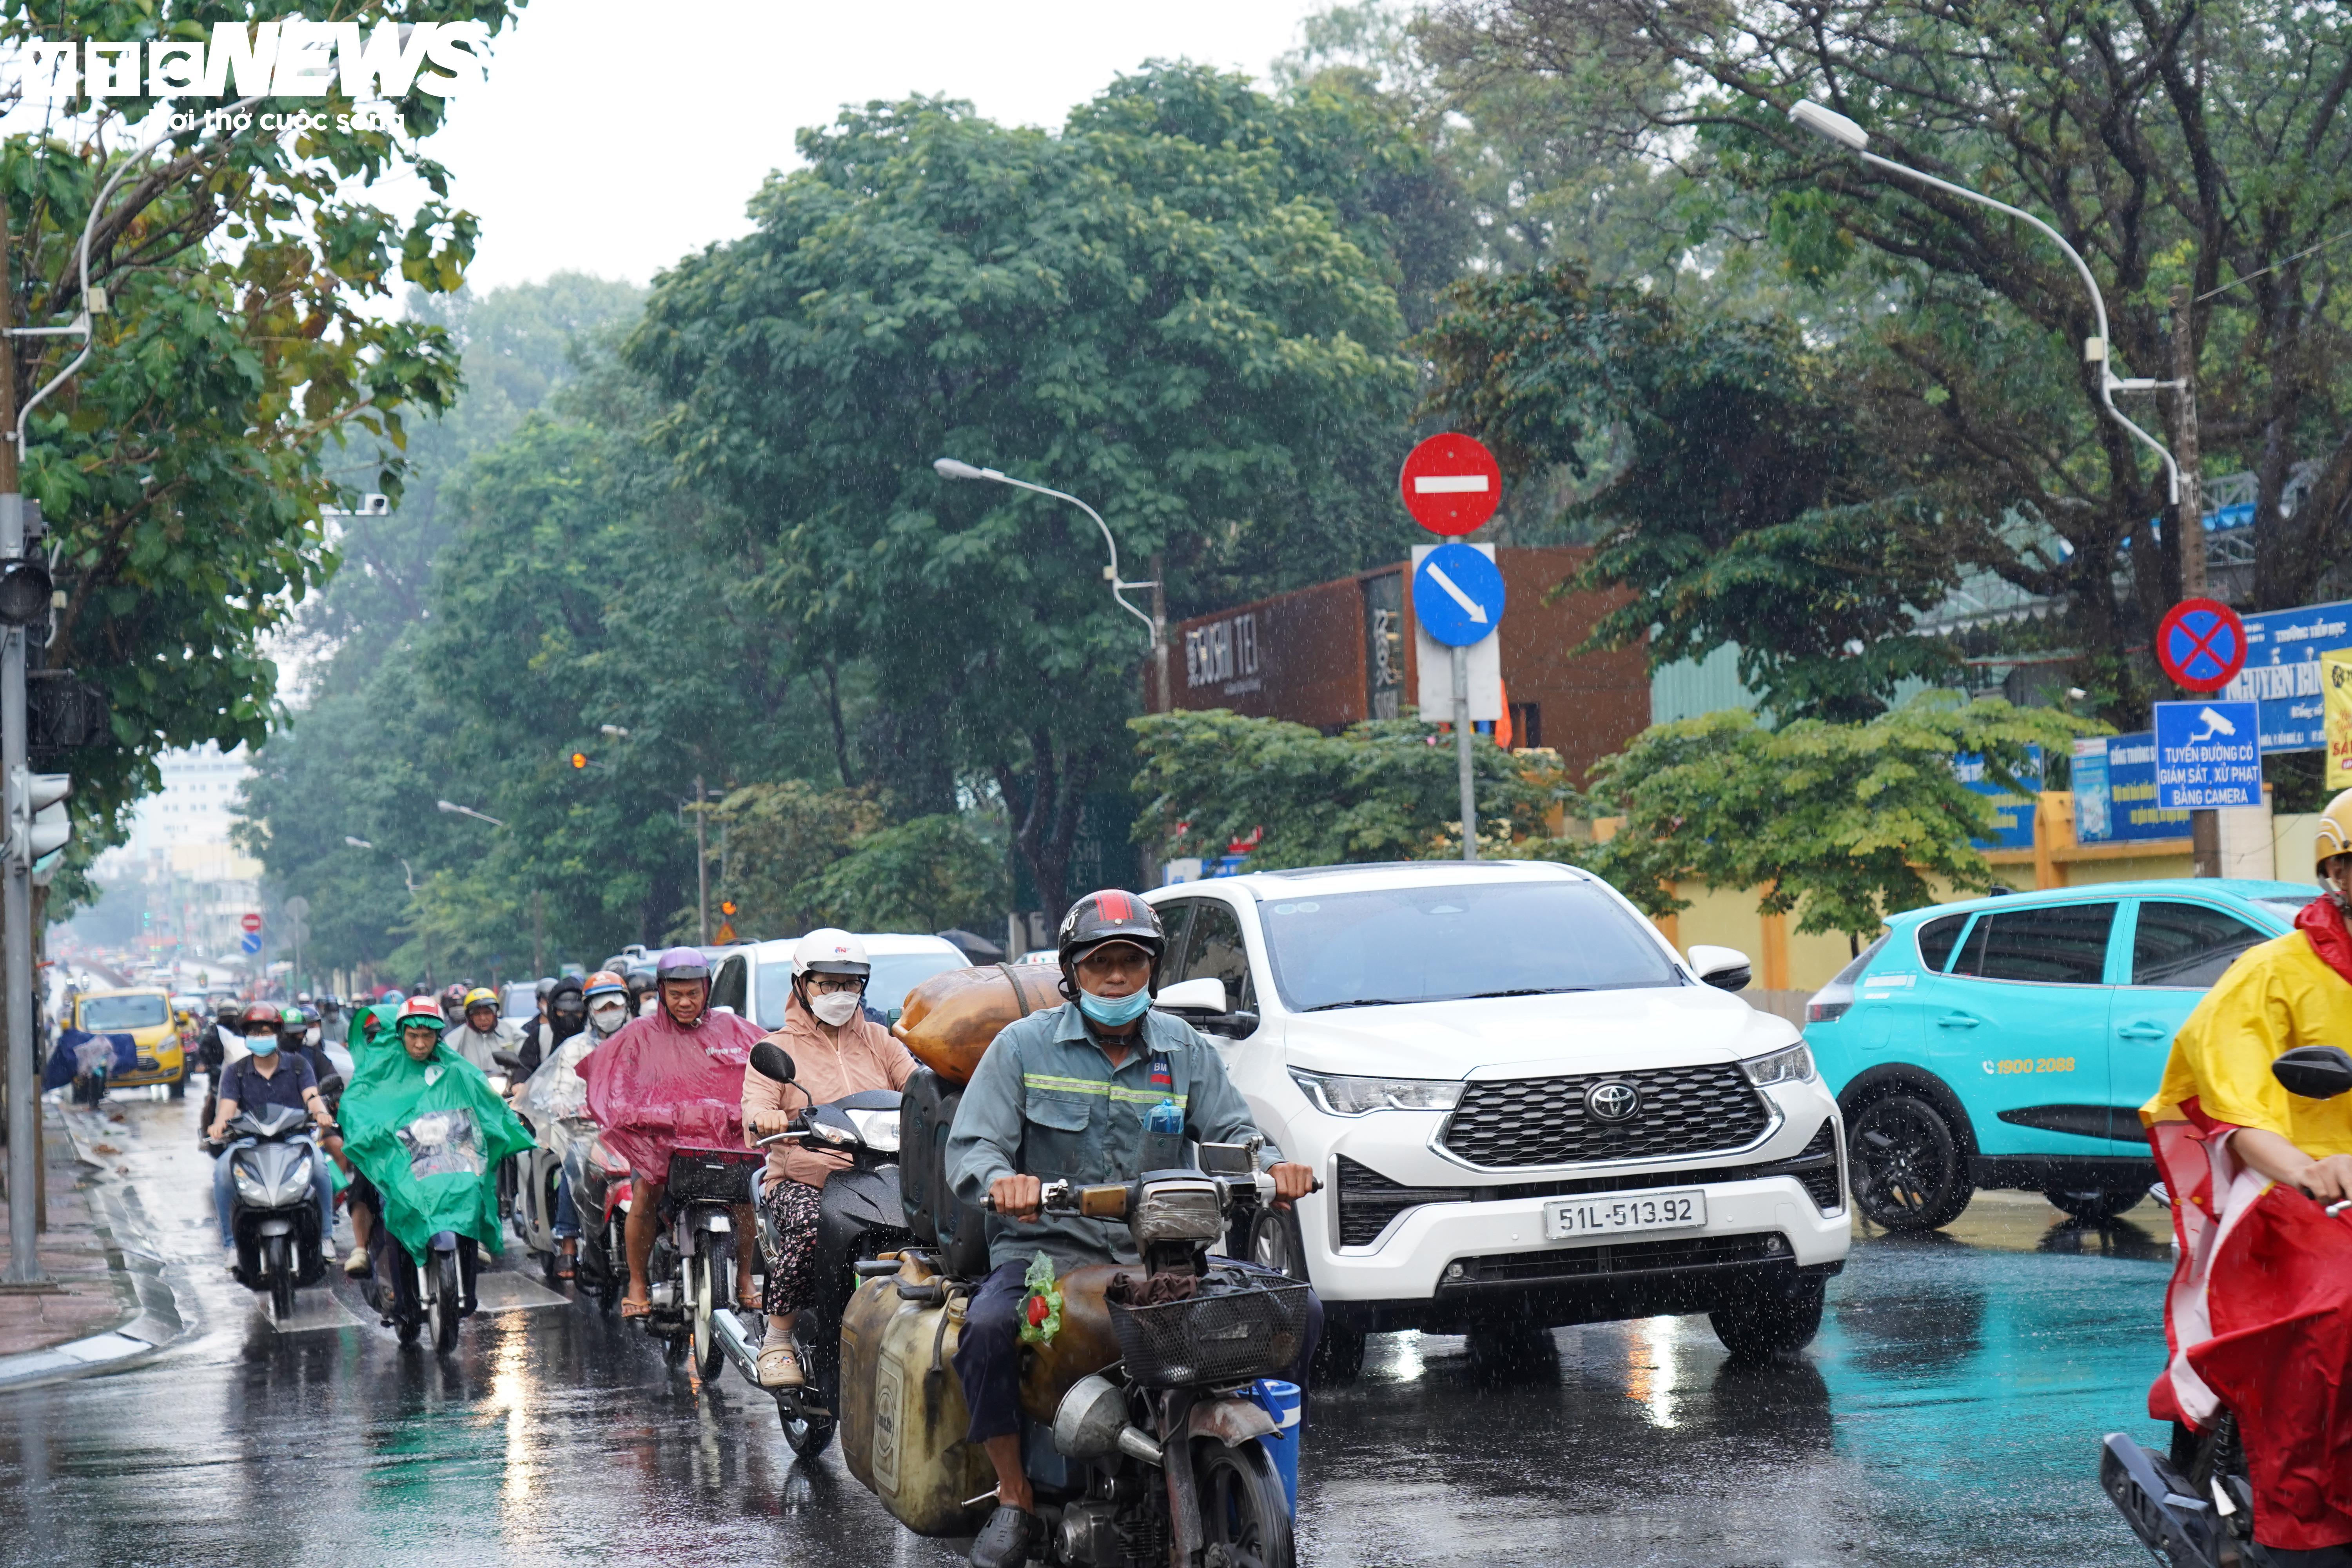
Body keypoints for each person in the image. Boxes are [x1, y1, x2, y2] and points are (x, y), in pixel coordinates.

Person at [946, 890, 1318, 1568]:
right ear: (1073, 973)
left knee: (1297, 1313)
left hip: (1163, 1256)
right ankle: (1013, 1494)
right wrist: (1005, 1181)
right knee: (988, 1333)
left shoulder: (1185, 1049)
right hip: (1047, 1256)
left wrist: (1272, 1169)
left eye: (1132, 962)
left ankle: (1231, 1452)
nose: (1116, 977)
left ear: (1152, 970)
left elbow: (1236, 1135)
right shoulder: (1022, 1048)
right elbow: (973, 1150)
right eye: (1101, 963)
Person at [2142, 788, 2352, 1560]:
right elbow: (2239, 1108)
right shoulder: (2272, 972)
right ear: (2338, 872)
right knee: (2338, 1309)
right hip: (2291, 1191)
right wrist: (2309, 1165)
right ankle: (2297, 1516)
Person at [741, 929, 917, 1387]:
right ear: (801, 984)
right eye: (828, 983)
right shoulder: (778, 1048)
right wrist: (769, 1119)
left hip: (882, 1177)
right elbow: (756, 1106)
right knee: (810, 1229)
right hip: (805, 1179)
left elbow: (918, 1088)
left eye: (850, 983)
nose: (841, 994)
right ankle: (778, 1338)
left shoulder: (881, 1040)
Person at [577, 946, 765, 1319]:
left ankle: (745, 1277)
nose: (685, 1002)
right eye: (676, 994)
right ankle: (637, 1283)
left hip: (723, 1143)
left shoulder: (735, 1030)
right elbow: (615, 1086)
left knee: (747, 1196)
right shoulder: (638, 1035)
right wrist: (637, 1114)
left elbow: (768, 1068)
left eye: (693, 993)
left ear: (707, 990)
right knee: (645, 1193)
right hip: (660, 1144)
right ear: (661, 992)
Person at [339, 995, 531, 1296]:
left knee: (476, 1177)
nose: (419, 1045)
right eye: (413, 1036)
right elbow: (357, 1103)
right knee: (372, 1186)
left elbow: (480, 1094)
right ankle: (364, 1251)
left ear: (437, 1036)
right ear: (401, 1034)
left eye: (427, 1037)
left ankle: (474, 1234)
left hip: (444, 1147)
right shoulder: (381, 1067)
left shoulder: (450, 1063)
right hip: (394, 1152)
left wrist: (506, 1116)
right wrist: (372, 1131)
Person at [206, 1001, 336, 1273]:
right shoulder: (236, 1071)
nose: (260, 1038)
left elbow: (312, 1097)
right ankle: (231, 1245)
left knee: (321, 1170)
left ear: (277, 1033)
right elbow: (227, 1109)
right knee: (222, 1173)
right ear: (246, 1036)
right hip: (249, 1141)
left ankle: (325, 1237)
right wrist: (218, 1125)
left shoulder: (299, 1065)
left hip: (294, 1137)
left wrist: (320, 1113)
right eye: (254, 1033)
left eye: (266, 1032)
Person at [516, 970, 630, 1278]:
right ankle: (568, 1240)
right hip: (589, 1131)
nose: (609, 1014)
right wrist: (564, 1104)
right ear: (590, 1010)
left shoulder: (642, 1040)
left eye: (614, 1006)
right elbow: (560, 1089)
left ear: (626, 1006)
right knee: (574, 1165)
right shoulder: (574, 1048)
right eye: (602, 1007)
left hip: (634, 1132)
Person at [446, 987, 523, 1075]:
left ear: (495, 1013)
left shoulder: (510, 1031)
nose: (483, 1018)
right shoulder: (455, 1038)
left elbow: (527, 1057)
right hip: (471, 1085)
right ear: (470, 1016)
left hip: (507, 1084)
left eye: (487, 1013)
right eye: (477, 1014)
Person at [519, 976, 586, 1074]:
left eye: (576, 1012)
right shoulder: (541, 1035)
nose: (570, 1017)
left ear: (585, 1012)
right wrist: (519, 1083)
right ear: (554, 1011)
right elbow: (525, 1067)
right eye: (563, 1011)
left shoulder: (593, 1037)